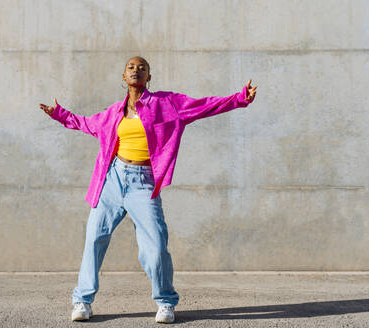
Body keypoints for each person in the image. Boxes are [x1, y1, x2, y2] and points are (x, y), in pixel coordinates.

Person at [39, 56, 257, 323]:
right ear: (124, 76)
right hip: (113, 180)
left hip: (143, 183)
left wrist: (239, 98)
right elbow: (86, 123)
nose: (136, 70)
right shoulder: (112, 113)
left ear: (149, 78)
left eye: (142, 68)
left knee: (155, 248)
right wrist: (59, 114)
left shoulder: (167, 104)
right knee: (94, 238)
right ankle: (82, 301)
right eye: (131, 67)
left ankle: (165, 302)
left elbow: (204, 107)